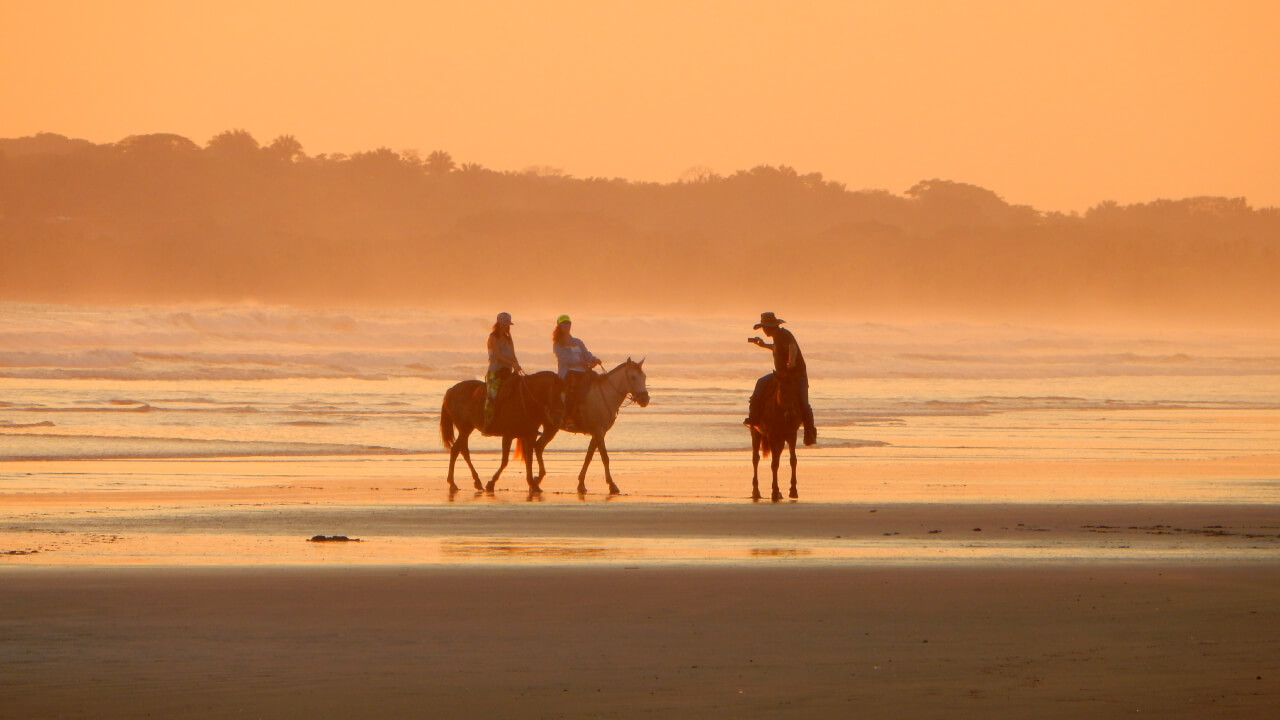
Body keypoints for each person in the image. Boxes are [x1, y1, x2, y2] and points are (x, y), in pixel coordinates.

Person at [746, 311, 816, 445]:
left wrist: (791, 362)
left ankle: (810, 433)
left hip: (796, 376)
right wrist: (763, 345)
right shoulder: (776, 338)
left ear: (771, 326)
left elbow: (792, 347)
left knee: (803, 403)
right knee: (760, 383)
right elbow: (776, 348)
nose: (764, 331)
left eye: (764, 328)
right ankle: (754, 418)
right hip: (781, 375)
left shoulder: (785, 334)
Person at [552, 314, 601, 425]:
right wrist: (582, 362)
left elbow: (586, 354)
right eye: (564, 324)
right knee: (573, 391)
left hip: (583, 371)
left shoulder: (577, 341)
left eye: (568, 324)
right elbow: (566, 359)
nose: (567, 326)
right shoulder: (557, 344)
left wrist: (594, 359)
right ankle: (569, 417)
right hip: (568, 373)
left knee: (597, 383)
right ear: (559, 326)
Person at [484, 312, 522, 432]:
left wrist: (516, 364)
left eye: (508, 325)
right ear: (499, 324)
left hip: (507, 372)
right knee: (492, 396)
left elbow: (513, 355)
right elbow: (498, 356)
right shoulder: (492, 338)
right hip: (495, 372)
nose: (507, 327)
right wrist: (511, 363)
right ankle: (488, 423)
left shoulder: (508, 339)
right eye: (505, 325)